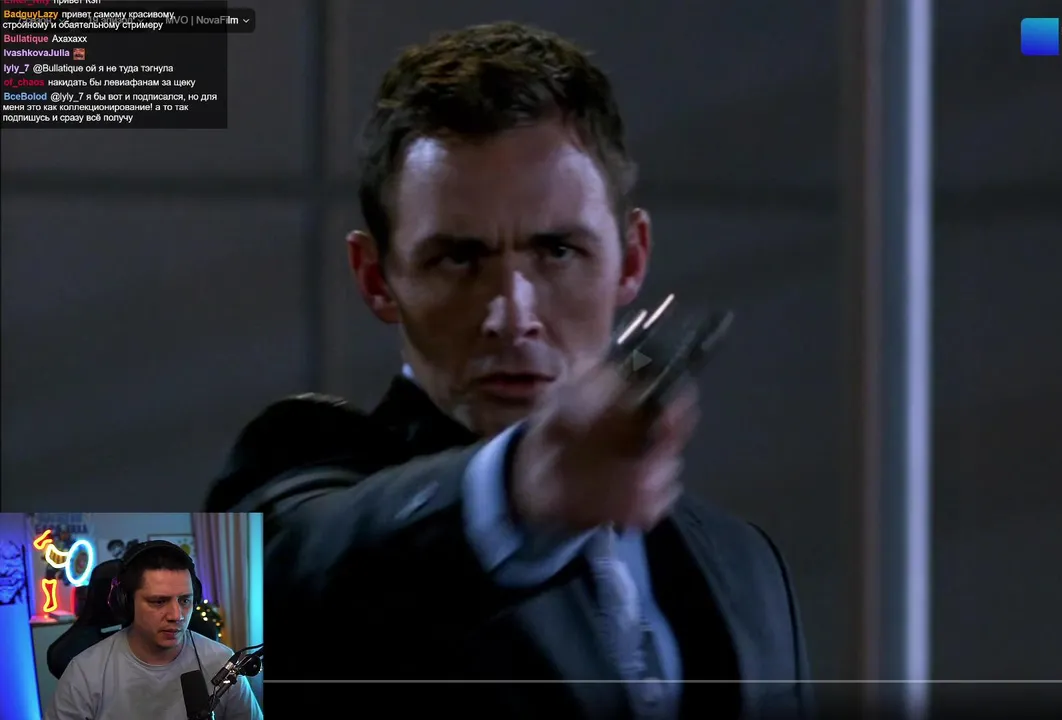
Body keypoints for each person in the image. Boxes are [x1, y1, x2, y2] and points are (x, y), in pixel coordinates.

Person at [206, 21, 810, 719]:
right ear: (375, 278)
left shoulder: (742, 562)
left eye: (557, 251)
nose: (512, 314)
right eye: (459, 258)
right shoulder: (300, 483)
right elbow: (279, 588)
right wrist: (516, 489)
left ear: (632, 260)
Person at [50, 541, 263, 720]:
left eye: (185, 600)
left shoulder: (223, 663)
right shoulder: (85, 673)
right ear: (127, 602)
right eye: (159, 601)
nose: (177, 615)